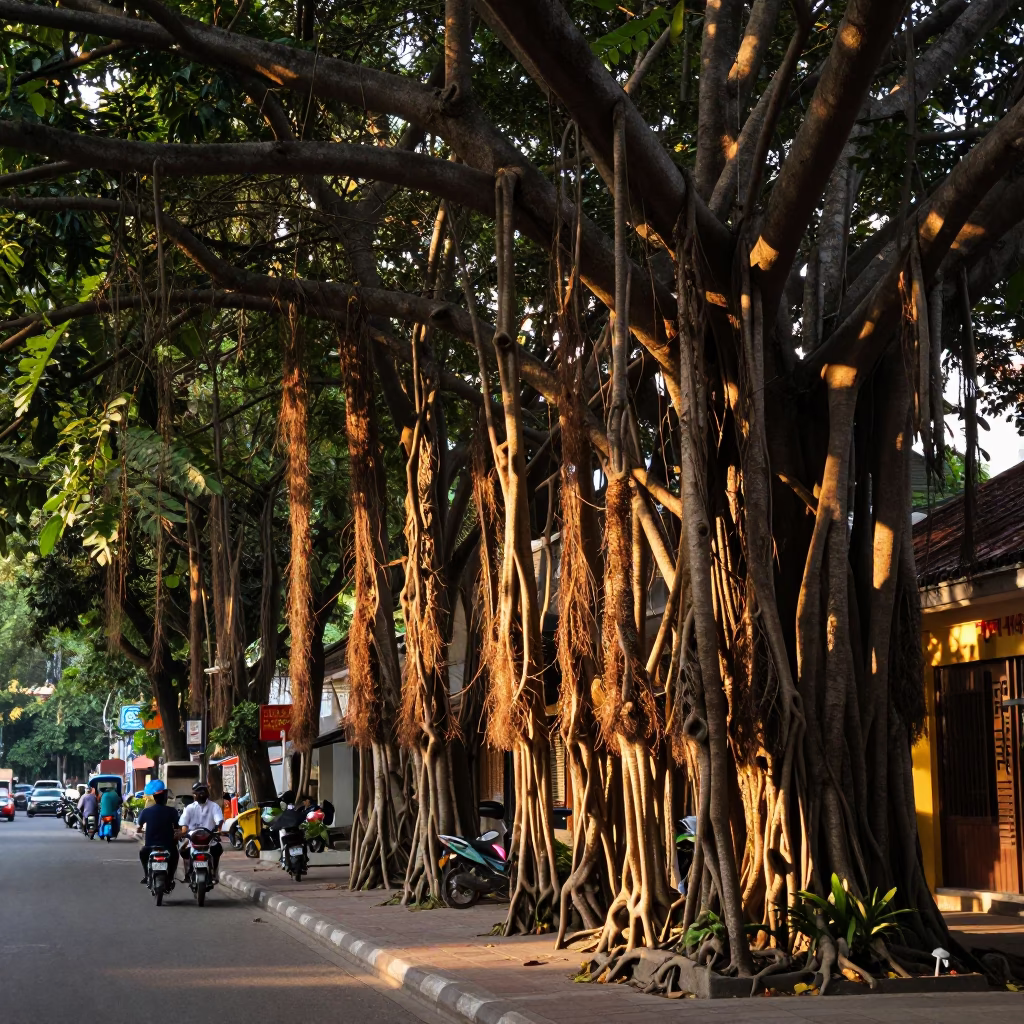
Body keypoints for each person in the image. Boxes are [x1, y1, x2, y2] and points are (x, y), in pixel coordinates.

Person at [178, 781, 224, 880]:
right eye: (198, 792)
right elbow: (184, 824)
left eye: (202, 791)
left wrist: (219, 829)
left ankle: (214, 872)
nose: (200, 794)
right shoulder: (189, 808)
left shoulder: (214, 807)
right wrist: (184, 832)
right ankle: (187, 872)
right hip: (192, 839)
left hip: (209, 839)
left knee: (218, 849)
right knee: (182, 850)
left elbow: (219, 820)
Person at [136, 780, 179, 884]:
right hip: (168, 846)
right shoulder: (172, 811)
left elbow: (138, 827)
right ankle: (171, 877)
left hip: (150, 846)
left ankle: (146, 875)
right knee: (175, 856)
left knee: (142, 853)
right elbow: (177, 827)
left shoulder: (145, 812)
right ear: (165, 799)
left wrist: (140, 830)